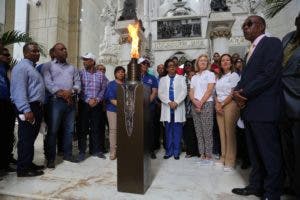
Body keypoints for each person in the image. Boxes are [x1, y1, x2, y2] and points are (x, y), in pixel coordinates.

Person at [232, 15, 283, 200]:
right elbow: (246, 78)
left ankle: (271, 193)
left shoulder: (272, 43)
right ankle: (256, 186)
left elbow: (268, 74)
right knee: (255, 154)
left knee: (269, 154)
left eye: (249, 24)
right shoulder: (249, 50)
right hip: (250, 110)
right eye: (244, 25)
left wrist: (243, 93)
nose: (245, 27)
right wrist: (236, 91)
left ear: (261, 26)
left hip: (264, 109)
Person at [43, 43, 81, 168]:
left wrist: (71, 92)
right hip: (55, 102)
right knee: (53, 130)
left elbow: (78, 84)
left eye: (65, 49)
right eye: (61, 49)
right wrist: (64, 95)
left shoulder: (73, 68)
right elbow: (49, 84)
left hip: (70, 102)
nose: (65, 51)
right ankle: (50, 159)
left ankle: (68, 155)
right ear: (54, 53)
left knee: (69, 130)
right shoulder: (48, 66)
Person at [10, 42, 45, 177]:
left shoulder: (31, 67)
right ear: (25, 53)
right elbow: (19, 90)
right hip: (28, 107)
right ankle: (23, 169)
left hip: (35, 106)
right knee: (26, 139)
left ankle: (28, 163)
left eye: (37, 51)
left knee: (30, 139)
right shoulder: (22, 67)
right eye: (33, 51)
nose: (37, 53)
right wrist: (26, 109)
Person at [280, 12, 300, 198]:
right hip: (281, 103)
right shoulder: (286, 39)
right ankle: (293, 184)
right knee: (287, 149)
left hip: (297, 101)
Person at [77, 53, 108, 162]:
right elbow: (78, 89)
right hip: (84, 104)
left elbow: (103, 89)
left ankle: (95, 150)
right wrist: (87, 100)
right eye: (84, 60)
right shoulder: (80, 73)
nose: (84, 62)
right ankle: (81, 151)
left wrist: (97, 100)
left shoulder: (101, 75)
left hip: (97, 104)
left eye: (86, 60)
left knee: (96, 127)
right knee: (82, 128)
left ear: (93, 61)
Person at [214, 54, 240, 172]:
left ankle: (230, 159)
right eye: (223, 60)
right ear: (220, 63)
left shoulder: (234, 75)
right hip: (219, 105)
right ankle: (223, 156)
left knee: (230, 133)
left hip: (230, 104)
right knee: (222, 132)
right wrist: (217, 104)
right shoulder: (219, 77)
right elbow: (215, 93)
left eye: (227, 60)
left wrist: (222, 103)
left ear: (231, 63)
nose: (225, 62)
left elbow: (233, 93)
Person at [189, 54, 216, 165]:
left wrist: (200, 103)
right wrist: (195, 102)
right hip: (195, 105)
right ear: (197, 63)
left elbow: (209, 90)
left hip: (206, 104)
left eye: (205, 60)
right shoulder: (194, 77)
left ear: (208, 63)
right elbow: (191, 91)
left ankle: (208, 155)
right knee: (199, 130)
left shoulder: (210, 74)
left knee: (207, 130)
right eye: (201, 61)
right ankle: (202, 154)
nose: (203, 62)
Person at [158, 59, 187, 160]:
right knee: (168, 131)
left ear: (176, 67)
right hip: (167, 108)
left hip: (177, 107)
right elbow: (160, 93)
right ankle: (169, 151)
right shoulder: (162, 80)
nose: (172, 67)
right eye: (169, 66)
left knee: (177, 131)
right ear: (166, 68)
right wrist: (169, 102)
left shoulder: (182, 78)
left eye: (173, 65)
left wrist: (176, 102)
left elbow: (184, 91)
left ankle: (176, 152)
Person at [138, 57, 158, 159]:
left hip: (149, 107)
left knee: (149, 129)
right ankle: (139, 149)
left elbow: (154, 92)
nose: (145, 65)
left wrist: (146, 103)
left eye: (146, 64)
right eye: (143, 64)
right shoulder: (133, 77)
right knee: (138, 129)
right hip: (136, 109)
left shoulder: (152, 78)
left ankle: (151, 150)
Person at [0, 47, 16, 173]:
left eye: (9, 54)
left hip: (9, 105)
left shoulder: (8, 69)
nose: (8, 56)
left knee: (8, 134)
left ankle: (7, 159)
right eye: (5, 54)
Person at [105, 66, 125, 160]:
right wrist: (124, 106)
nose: (121, 73)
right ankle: (113, 152)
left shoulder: (126, 84)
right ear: (115, 74)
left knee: (123, 131)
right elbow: (112, 99)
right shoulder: (111, 84)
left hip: (124, 111)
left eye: (123, 72)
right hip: (113, 110)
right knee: (113, 131)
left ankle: (122, 151)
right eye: (119, 72)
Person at [183, 69, 199, 158]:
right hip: (187, 113)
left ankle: (198, 151)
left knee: (197, 132)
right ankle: (190, 151)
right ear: (188, 76)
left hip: (197, 111)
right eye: (191, 75)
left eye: (194, 75)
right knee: (188, 133)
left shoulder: (198, 85)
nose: (192, 77)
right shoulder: (185, 85)